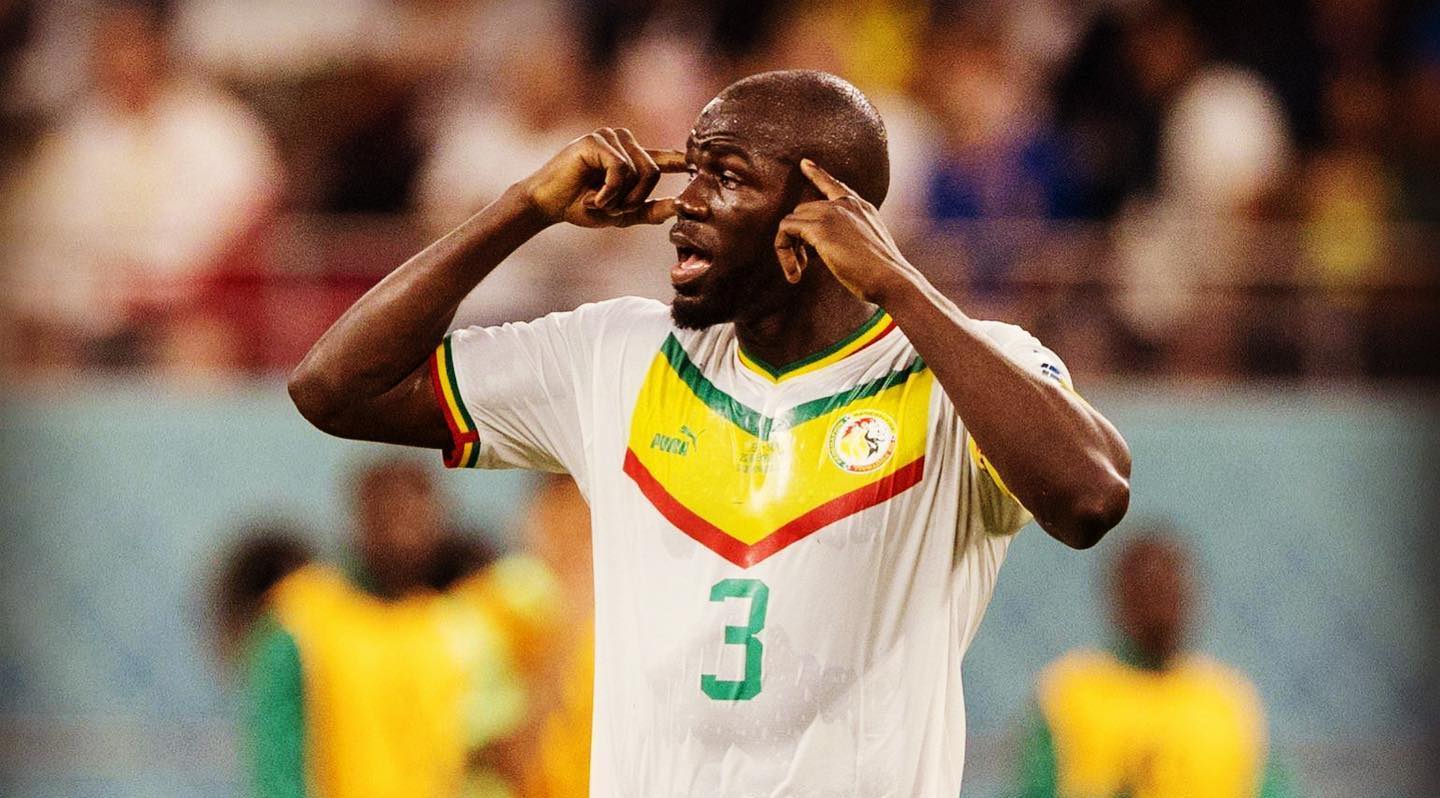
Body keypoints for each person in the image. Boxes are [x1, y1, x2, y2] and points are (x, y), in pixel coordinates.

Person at [288, 69, 1131, 796]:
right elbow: (334, 388)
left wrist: (900, 285)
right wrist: (523, 208)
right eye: (691, 169)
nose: (684, 202)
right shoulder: (615, 355)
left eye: (724, 176)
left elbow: (1091, 495)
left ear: (823, 214)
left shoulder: (963, 368)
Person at [239, 457, 556, 798]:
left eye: (417, 517)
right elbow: (278, 761)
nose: (406, 536)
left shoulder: (468, 614)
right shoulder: (304, 620)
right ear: (361, 520)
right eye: (391, 515)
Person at [1016, 533, 1296, 798]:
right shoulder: (1071, 694)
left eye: (1166, 590)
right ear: (1117, 598)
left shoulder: (1227, 702)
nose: (1157, 605)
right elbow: (1036, 787)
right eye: (1144, 591)